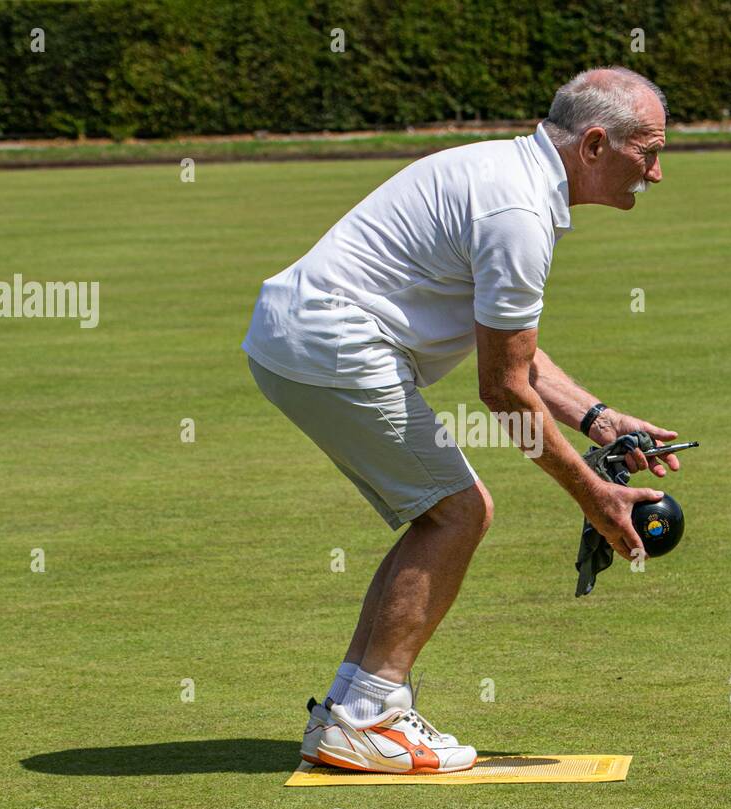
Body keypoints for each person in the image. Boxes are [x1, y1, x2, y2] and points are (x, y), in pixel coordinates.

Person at [243, 66, 682, 773]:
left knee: (439, 512)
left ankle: (356, 707)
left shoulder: (513, 179)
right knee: (458, 511)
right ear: (596, 145)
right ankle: (368, 716)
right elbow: (504, 391)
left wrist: (597, 419)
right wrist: (596, 496)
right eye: (649, 153)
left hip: (297, 340)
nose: (657, 173)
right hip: (329, 346)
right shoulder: (519, 215)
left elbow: (516, 355)